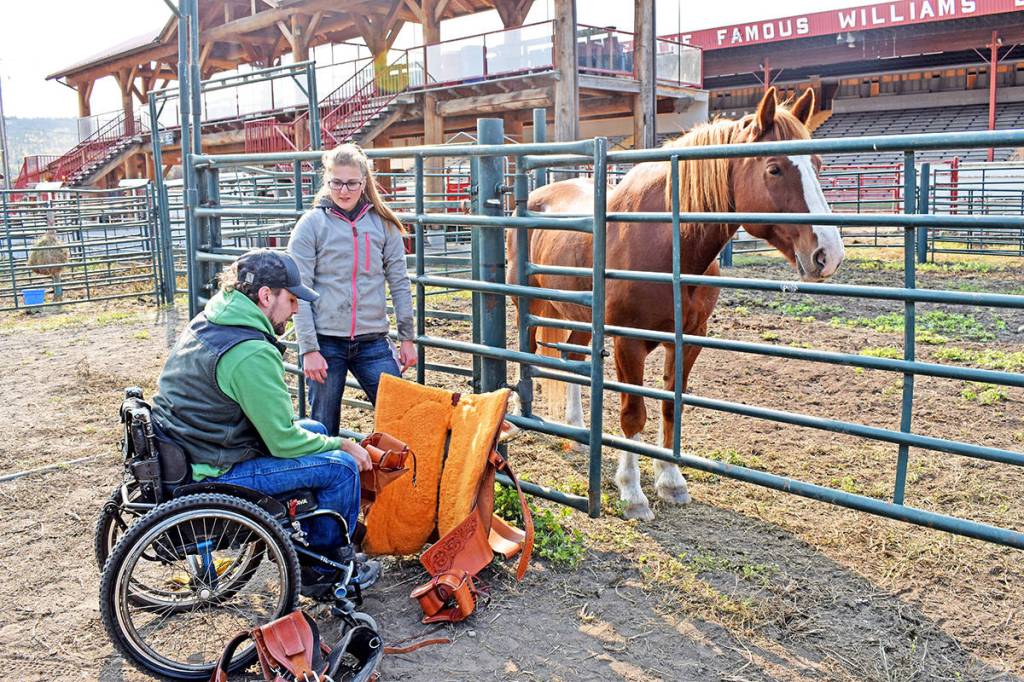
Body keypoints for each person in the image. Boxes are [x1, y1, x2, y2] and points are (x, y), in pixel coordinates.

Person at [151, 248, 379, 596]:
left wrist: (325, 439)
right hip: (213, 471)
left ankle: (309, 540)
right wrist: (342, 444)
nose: (297, 309)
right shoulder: (249, 351)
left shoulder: (214, 319)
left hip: (190, 449)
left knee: (317, 430)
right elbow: (282, 441)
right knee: (342, 467)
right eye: (291, 300)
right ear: (265, 296)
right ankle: (324, 570)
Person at [288, 143, 416, 437]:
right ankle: (326, 482)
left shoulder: (383, 225)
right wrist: (309, 349)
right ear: (327, 181)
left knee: (401, 416)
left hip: (372, 341)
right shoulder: (311, 226)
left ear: (364, 183)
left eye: (351, 183)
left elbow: (399, 281)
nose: (343, 191)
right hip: (325, 342)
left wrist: (407, 338)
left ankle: (395, 480)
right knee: (323, 427)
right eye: (336, 183)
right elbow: (299, 290)